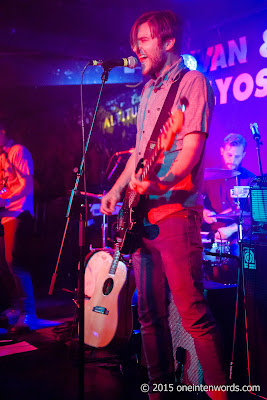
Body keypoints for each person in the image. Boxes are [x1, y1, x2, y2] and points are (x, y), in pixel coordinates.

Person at [101, 10, 227, 400]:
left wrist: (162, 180)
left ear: (168, 42)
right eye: (135, 40)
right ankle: (159, 393)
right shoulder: (147, 92)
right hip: (140, 219)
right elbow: (139, 153)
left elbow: (191, 150)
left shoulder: (193, 83)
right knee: (147, 313)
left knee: (192, 314)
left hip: (175, 212)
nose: (136, 48)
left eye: (145, 40)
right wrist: (118, 190)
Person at [0, 122, 37, 333]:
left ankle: (28, 313)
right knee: (4, 265)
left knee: (15, 263)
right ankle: (16, 308)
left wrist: (7, 200)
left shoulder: (18, 151)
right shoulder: (2, 157)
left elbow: (28, 185)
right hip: (5, 215)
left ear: (3, 132)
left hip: (18, 213)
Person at [203, 133, 255, 255]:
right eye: (229, 155)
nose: (232, 160)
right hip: (213, 234)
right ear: (222, 151)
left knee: (237, 253)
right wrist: (205, 212)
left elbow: (256, 218)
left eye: (237, 157)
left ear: (243, 155)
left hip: (239, 235)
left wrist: (231, 229)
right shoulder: (208, 176)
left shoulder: (250, 180)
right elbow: (196, 201)